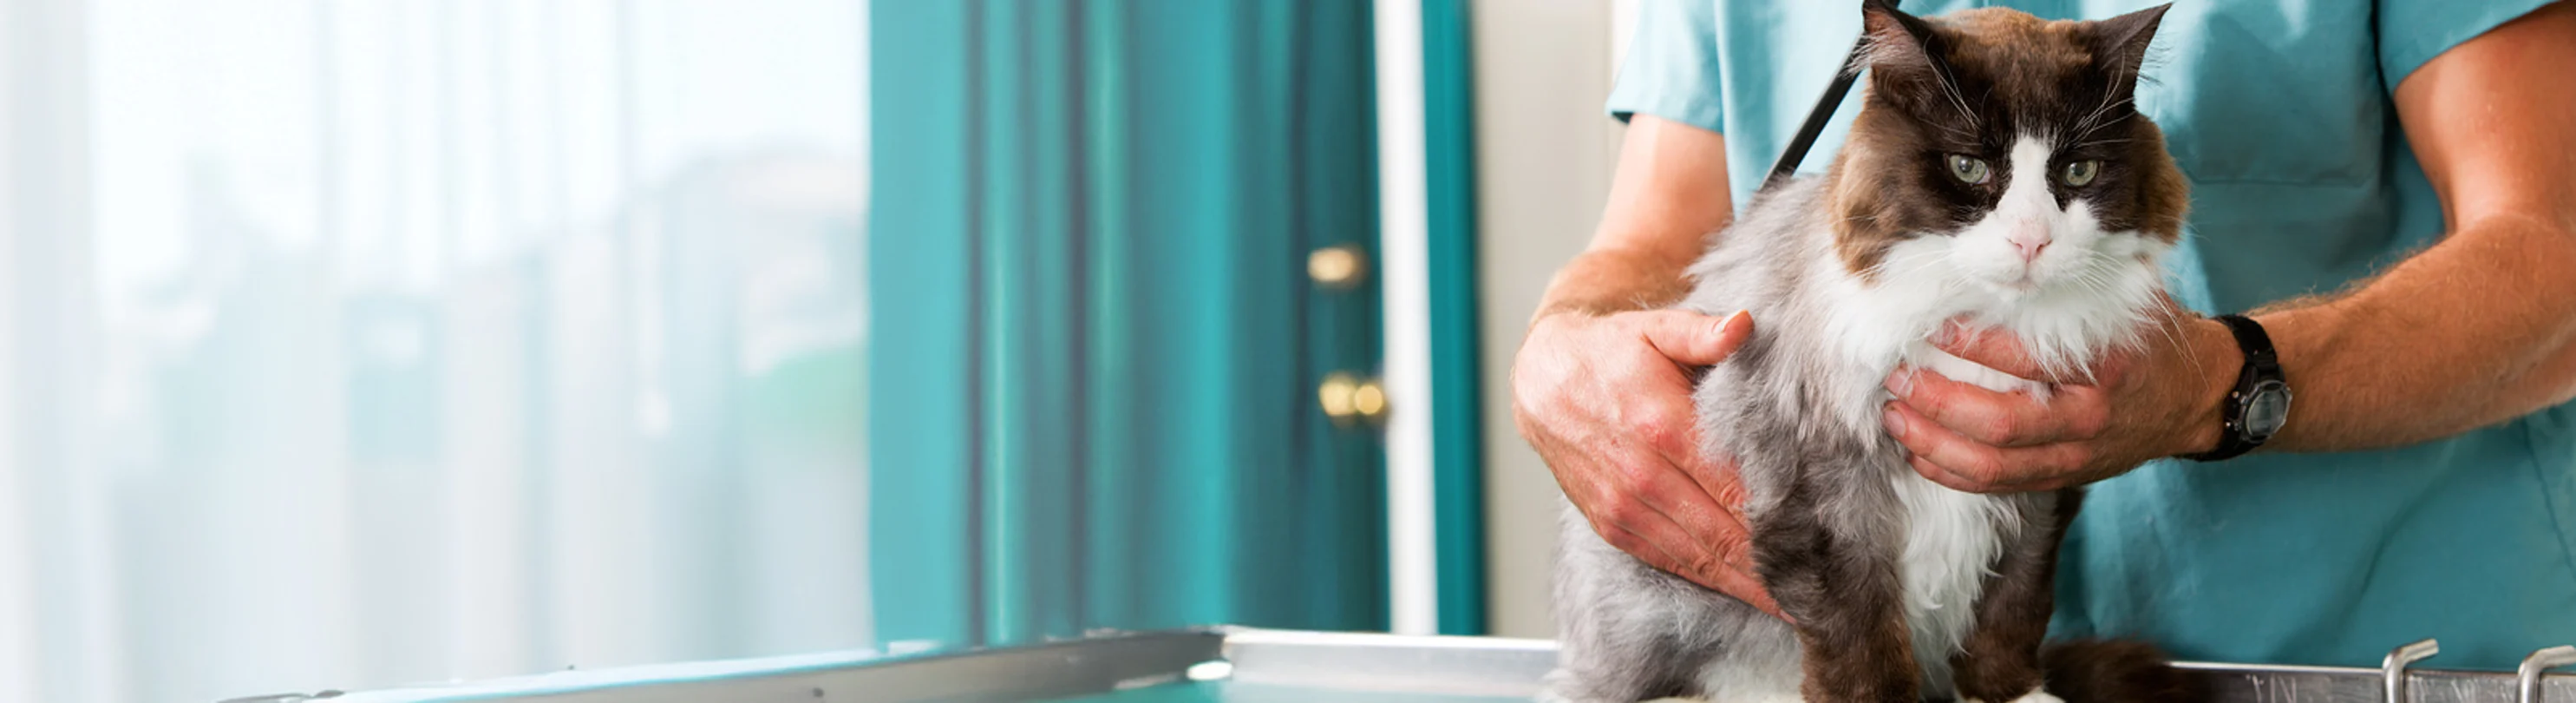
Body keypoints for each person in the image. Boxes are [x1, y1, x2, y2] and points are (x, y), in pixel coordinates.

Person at [1513, 0, 2576, 670]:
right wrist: (1560, 348)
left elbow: (2556, 254)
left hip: (2374, 655)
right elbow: (1653, 240)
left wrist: (2220, 382)